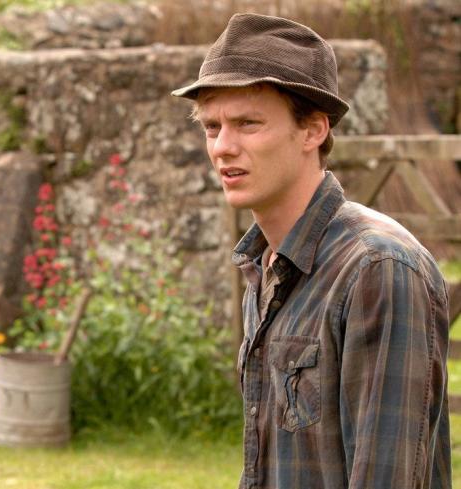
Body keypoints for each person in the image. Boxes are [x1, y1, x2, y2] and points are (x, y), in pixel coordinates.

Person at [173, 13, 451, 489]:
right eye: (212, 126)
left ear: (313, 130)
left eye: (248, 123)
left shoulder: (377, 269)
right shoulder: (267, 263)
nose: (222, 147)